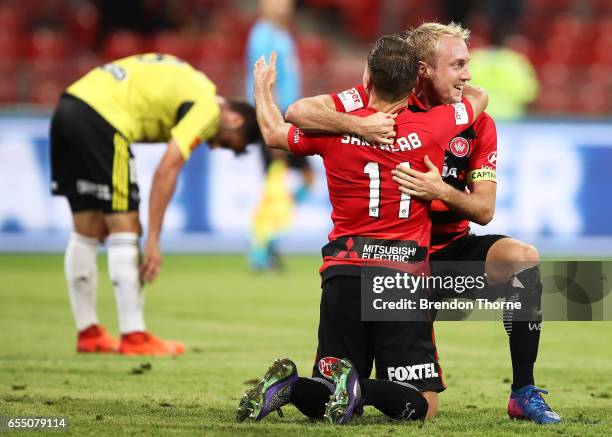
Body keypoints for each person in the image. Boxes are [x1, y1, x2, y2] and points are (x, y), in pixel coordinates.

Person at [284, 22, 560, 424]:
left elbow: (484, 210)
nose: (468, 74)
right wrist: (357, 125)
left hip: (444, 261)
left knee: (522, 259)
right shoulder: (379, 105)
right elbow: (299, 113)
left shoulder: (478, 123)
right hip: (388, 264)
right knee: (380, 407)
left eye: (467, 64)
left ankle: (523, 391)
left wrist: (441, 190)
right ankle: (352, 384)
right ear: (424, 70)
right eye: (458, 64)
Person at [238, 34, 487, 425]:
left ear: (367, 80)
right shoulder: (437, 127)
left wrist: (261, 90)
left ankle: (287, 386)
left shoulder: (333, 132)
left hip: (342, 273)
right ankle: (361, 387)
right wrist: (439, 76)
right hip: (399, 279)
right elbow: (478, 99)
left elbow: (274, 131)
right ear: (413, 85)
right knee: (420, 407)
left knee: (326, 393)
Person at [50, 53, 259, 356]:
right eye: (226, 143)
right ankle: (134, 336)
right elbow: (167, 169)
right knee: (126, 227)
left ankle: (89, 332)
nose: (214, 146)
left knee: (87, 229)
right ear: (234, 119)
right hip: (103, 118)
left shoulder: (189, 83)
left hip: (68, 107)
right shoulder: (209, 107)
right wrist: (154, 241)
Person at [244, 0, 314, 270]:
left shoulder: (281, 33)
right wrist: (272, 124)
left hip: (286, 114)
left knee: (289, 182)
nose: (284, 5)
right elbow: (266, 80)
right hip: (274, 115)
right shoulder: (263, 34)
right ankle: (260, 248)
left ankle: (268, 237)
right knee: (276, 180)